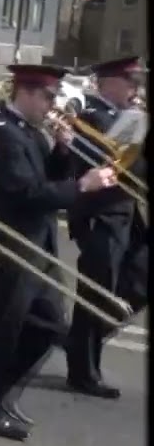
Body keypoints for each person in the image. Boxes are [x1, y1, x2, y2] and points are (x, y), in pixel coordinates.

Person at [0, 64, 117, 442]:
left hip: (36, 245)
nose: (55, 107)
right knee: (0, 330)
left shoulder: (29, 133)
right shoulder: (4, 134)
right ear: (27, 93)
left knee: (49, 327)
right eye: (50, 98)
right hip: (9, 245)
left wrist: (64, 152)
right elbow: (27, 195)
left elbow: (45, 177)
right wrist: (82, 184)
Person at [62, 56, 146, 399]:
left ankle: (84, 339)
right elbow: (100, 164)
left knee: (139, 278)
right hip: (100, 215)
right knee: (97, 289)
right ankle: (83, 369)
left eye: (136, 81)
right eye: (128, 81)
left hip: (127, 211)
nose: (135, 87)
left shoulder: (131, 117)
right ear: (107, 82)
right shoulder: (91, 118)